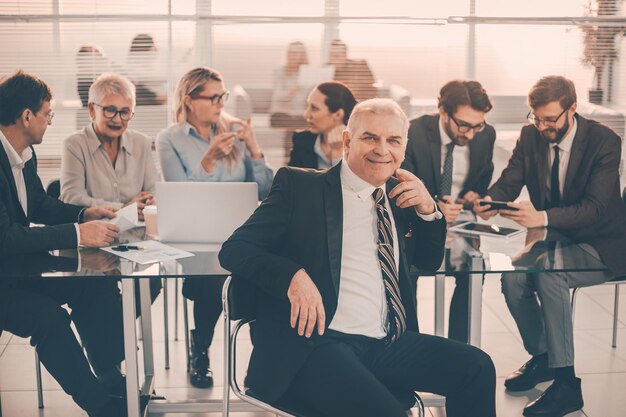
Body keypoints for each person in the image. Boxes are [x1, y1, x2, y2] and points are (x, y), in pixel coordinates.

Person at [219, 98, 496, 417]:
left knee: (477, 367)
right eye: (370, 137)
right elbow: (235, 249)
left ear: (404, 147)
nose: (382, 149)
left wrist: (429, 211)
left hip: (386, 342)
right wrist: (292, 276)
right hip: (317, 346)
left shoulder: (400, 195)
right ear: (347, 140)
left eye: (393, 140)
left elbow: (429, 260)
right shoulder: (301, 187)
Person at [475, 75, 626, 417]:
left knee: (549, 275)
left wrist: (541, 218)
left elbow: (597, 209)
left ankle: (567, 384)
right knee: (513, 279)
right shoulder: (531, 136)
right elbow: (511, 179)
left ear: (572, 109)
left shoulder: (604, 141)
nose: (542, 126)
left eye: (550, 119)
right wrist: (490, 201)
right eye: (536, 118)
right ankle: (543, 356)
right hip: (556, 238)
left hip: (602, 243)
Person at [0, 70, 127, 417]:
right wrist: (77, 235)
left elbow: (39, 205)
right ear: (27, 116)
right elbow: (6, 236)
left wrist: (85, 213)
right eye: (48, 115)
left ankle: (112, 380)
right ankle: (101, 407)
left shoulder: (23, 154)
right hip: (2, 278)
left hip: (19, 268)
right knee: (50, 319)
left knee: (94, 285)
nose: (49, 122)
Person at [156, 66, 274, 389]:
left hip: (244, 235)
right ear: (190, 100)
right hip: (199, 239)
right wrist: (207, 161)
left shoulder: (234, 133)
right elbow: (179, 195)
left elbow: (265, 190)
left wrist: (253, 148)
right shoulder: (169, 140)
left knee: (265, 277)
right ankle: (201, 351)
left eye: (223, 95)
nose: (222, 102)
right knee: (214, 278)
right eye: (214, 96)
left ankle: (262, 362)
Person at [401, 80, 495, 342]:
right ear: (443, 111)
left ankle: (459, 348)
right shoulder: (414, 132)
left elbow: (482, 175)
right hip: (418, 223)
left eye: (478, 125)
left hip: (460, 223)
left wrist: (475, 195)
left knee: (474, 273)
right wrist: (432, 204)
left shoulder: (486, 135)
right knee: (408, 275)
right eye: (464, 125)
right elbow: (402, 180)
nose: (471, 133)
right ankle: (410, 345)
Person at [61, 73, 158, 221]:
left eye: (125, 112)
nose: (118, 119)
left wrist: (151, 202)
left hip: (138, 238)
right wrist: (124, 209)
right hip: (95, 238)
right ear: (92, 110)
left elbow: (154, 192)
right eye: (110, 110)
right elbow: (72, 198)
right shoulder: (74, 145)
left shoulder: (142, 143)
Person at [288, 81, 357, 169]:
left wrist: (338, 152)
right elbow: (290, 181)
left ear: (338, 114)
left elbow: (347, 182)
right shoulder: (301, 141)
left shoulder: (360, 146)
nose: (306, 114)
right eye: (307, 106)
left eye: (314, 108)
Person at [269, 41, 309, 129]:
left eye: (299, 53)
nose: (295, 56)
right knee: (294, 124)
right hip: (281, 114)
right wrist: (291, 91)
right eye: (292, 52)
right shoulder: (279, 72)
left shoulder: (308, 73)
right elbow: (277, 97)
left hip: (300, 114)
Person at [125, 33, 167, 105]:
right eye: (153, 46)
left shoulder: (150, 72)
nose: (156, 49)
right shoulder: (134, 72)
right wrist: (155, 97)